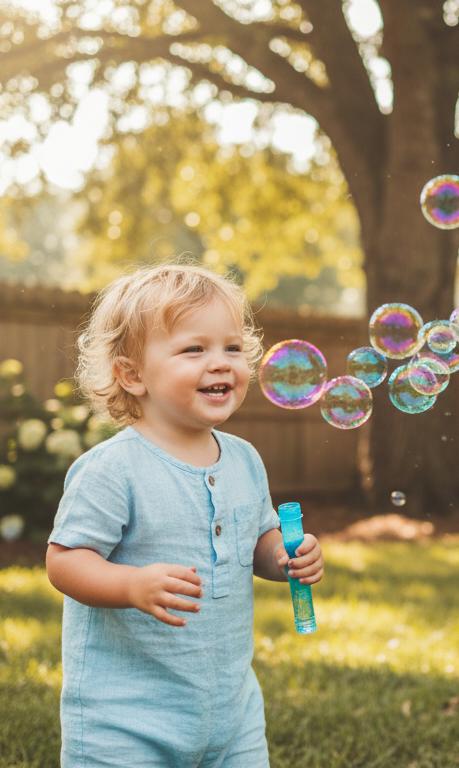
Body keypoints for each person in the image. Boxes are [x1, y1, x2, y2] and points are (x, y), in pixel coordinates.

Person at [46, 263, 324, 767]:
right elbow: (65, 561)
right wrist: (131, 585)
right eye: (194, 349)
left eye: (232, 348)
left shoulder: (244, 459)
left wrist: (284, 557)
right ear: (131, 374)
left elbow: (257, 541)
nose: (219, 363)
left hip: (230, 712)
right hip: (126, 720)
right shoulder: (113, 468)